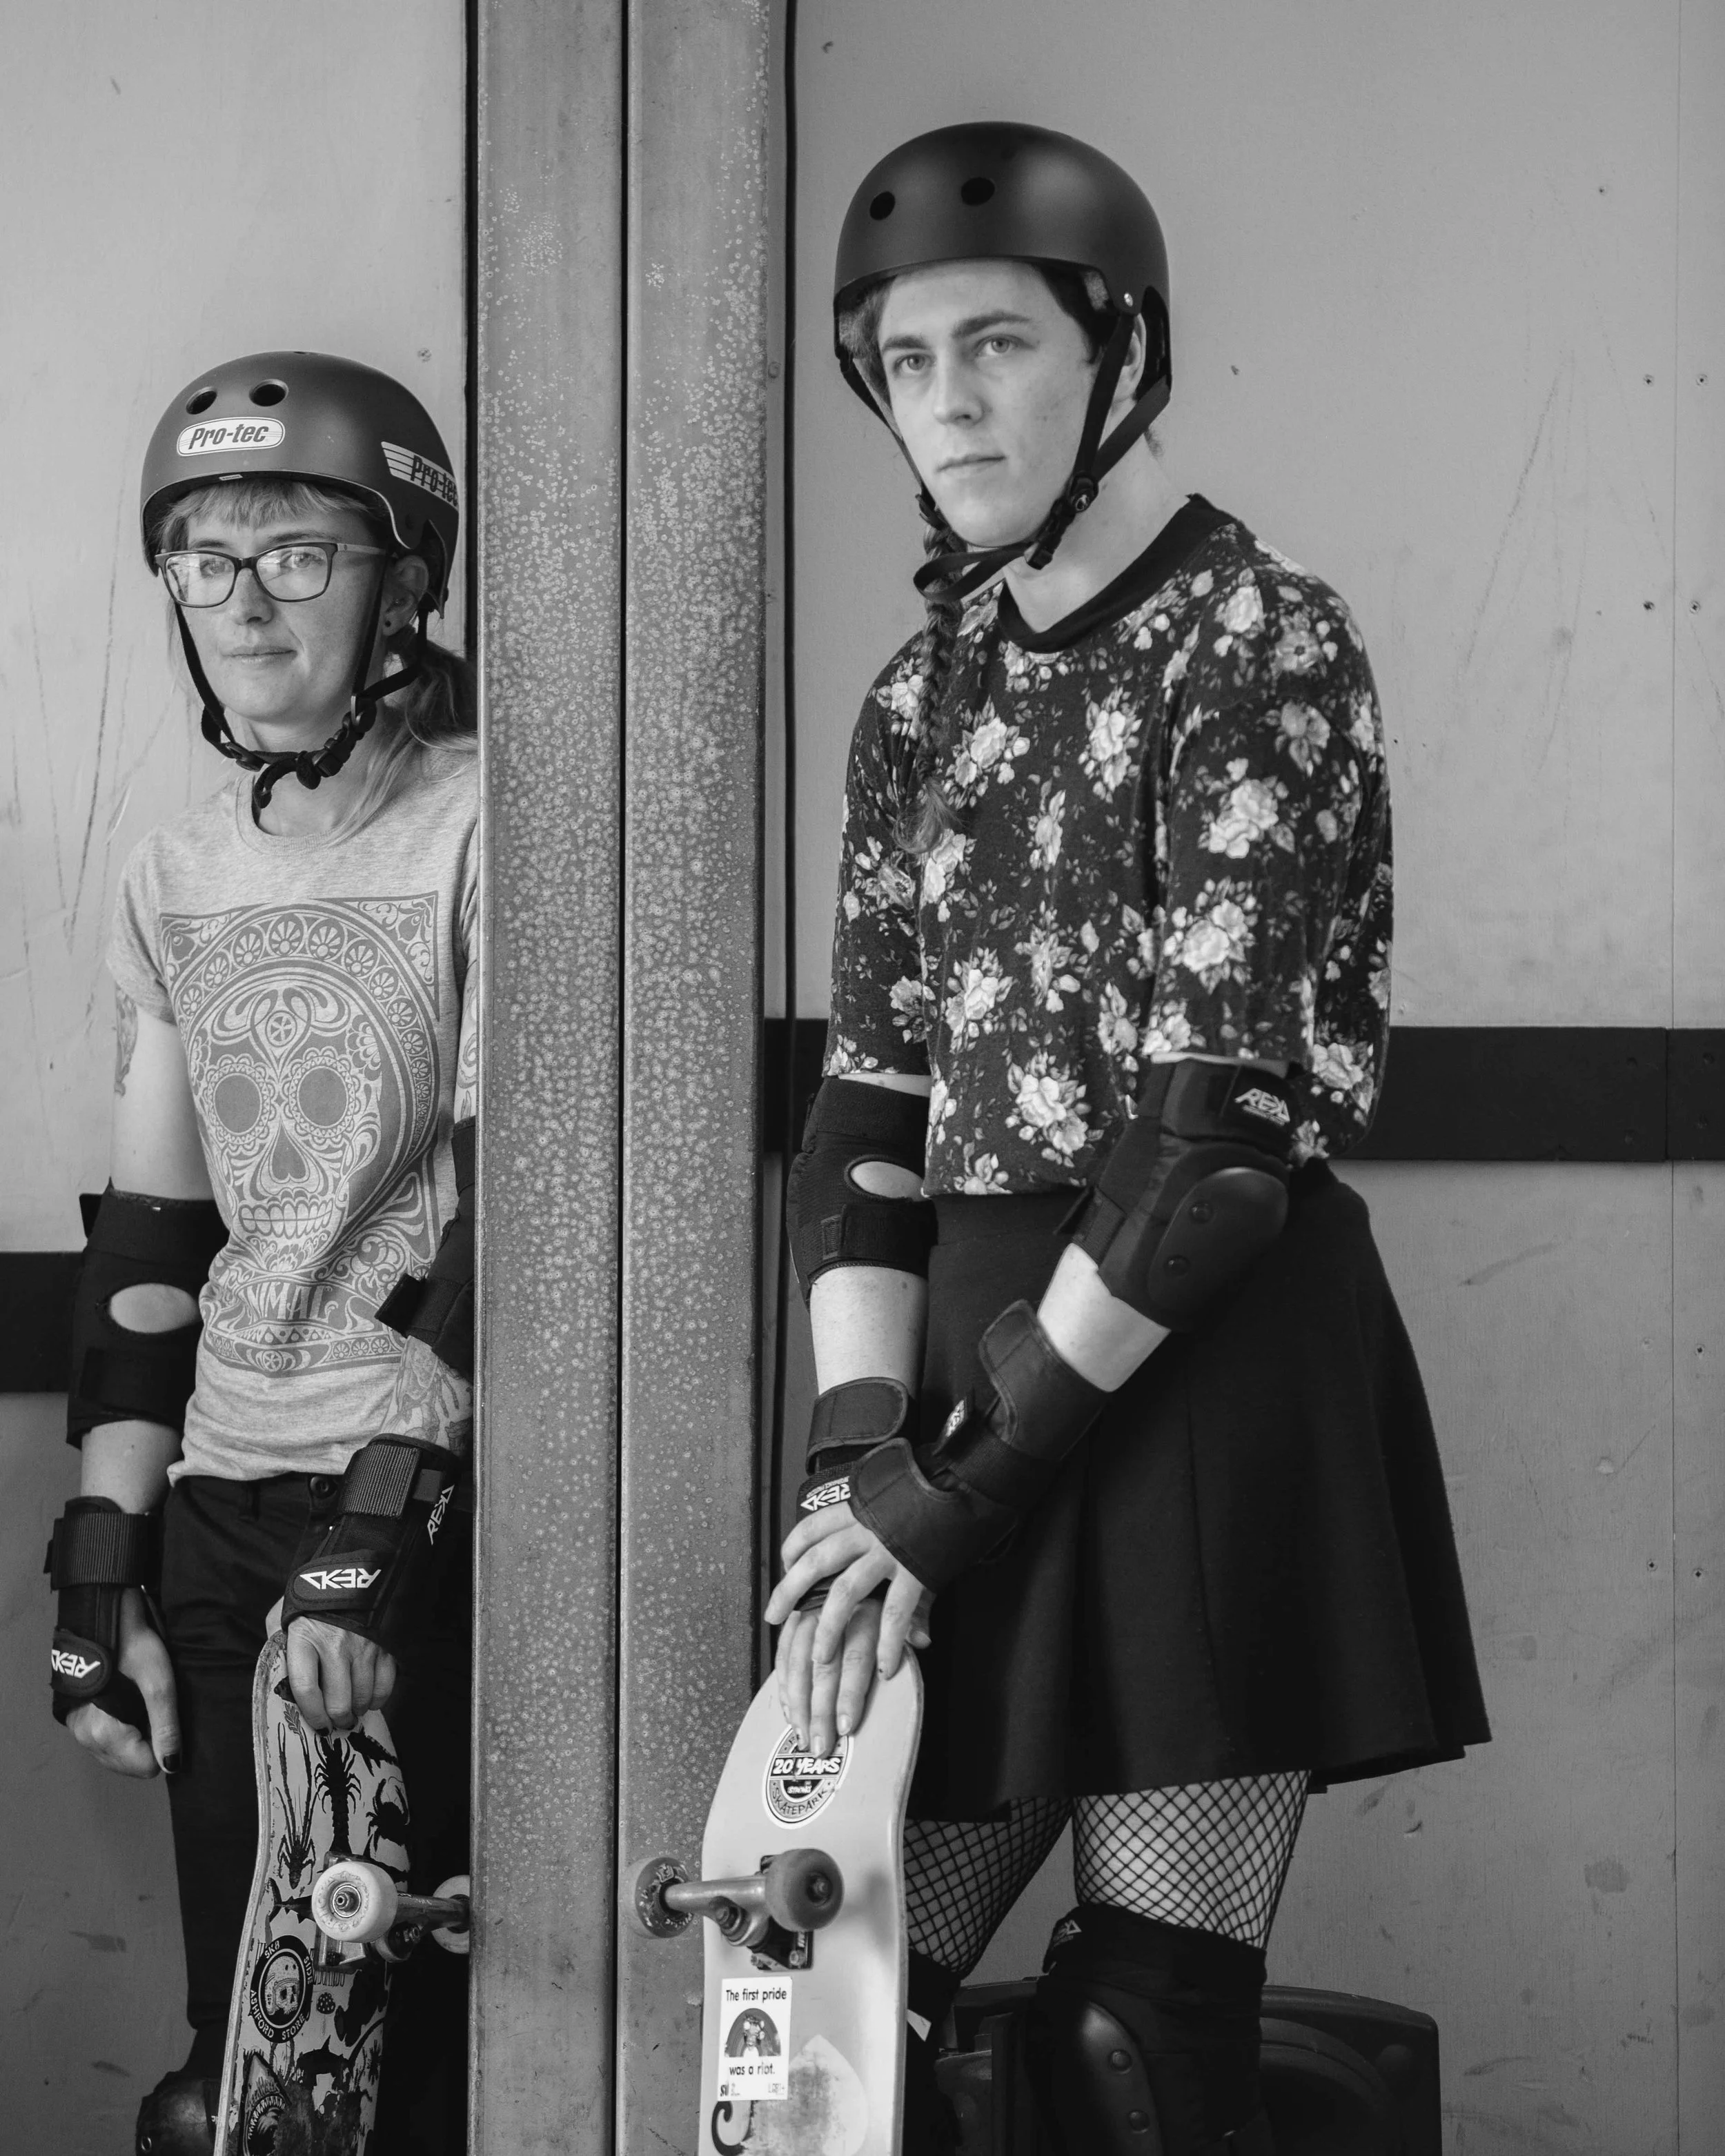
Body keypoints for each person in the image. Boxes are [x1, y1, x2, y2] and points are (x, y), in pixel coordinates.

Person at [767, 124, 1490, 2155]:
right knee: (817, 1986)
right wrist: (858, 1466)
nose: (947, 404)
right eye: (905, 367)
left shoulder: (1253, 640)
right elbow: (865, 1122)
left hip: (1191, 1363)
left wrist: (959, 1481)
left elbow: (1208, 1160)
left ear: (1116, 355)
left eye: (993, 344)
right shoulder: (919, 696)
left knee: (1135, 2050)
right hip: (959, 1397)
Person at [46, 351, 478, 2156]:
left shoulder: (490, 826)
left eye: (296, 551)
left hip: (422, 1506)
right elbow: (155, 1254)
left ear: (403, 579)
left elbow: (509, 1219)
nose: (238, 597)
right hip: (227, 1498)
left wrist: (390, 1516)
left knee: (407, 2038)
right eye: (204, 556)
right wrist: (99, 1561)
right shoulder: (174, 872)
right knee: (251, 2068)